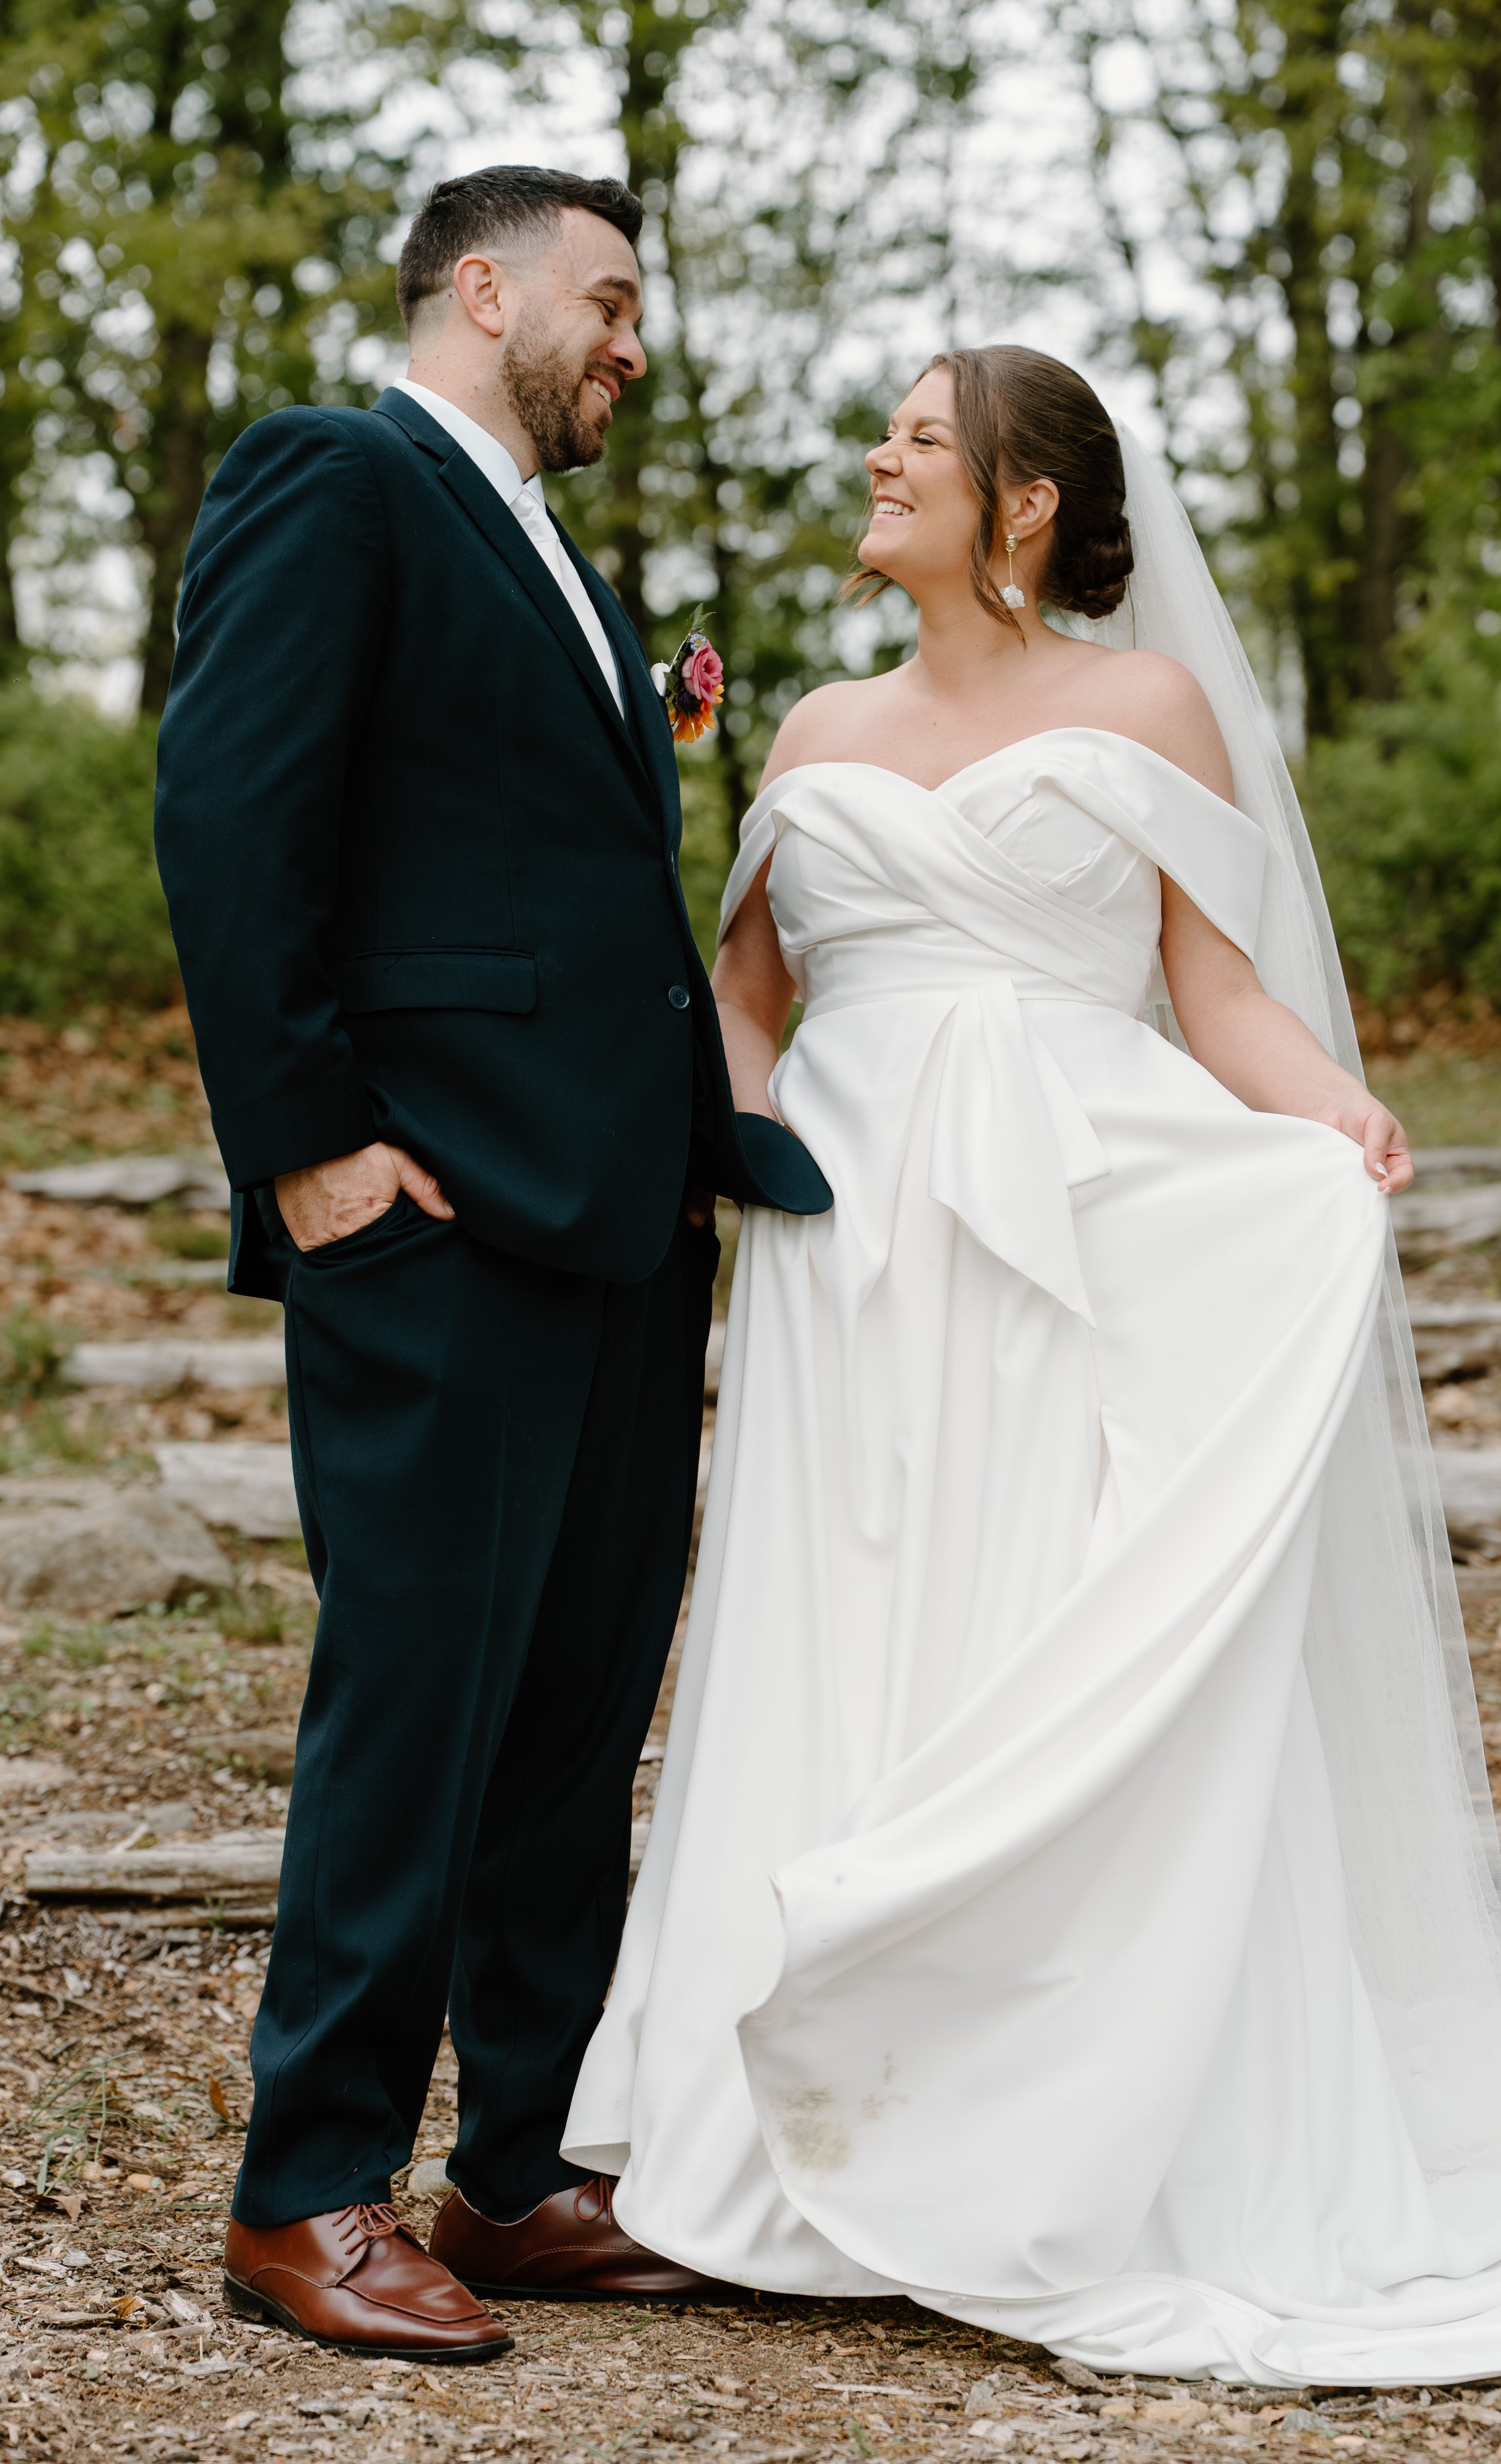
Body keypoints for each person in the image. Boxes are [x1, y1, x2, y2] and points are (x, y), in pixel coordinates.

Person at [562, 345, 1501, 2383]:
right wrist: (755, 1170)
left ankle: (1046, 2116)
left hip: (1075, 1223)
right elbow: (742, 995)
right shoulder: (811, 721)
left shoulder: (1141, 706)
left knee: (1034, 1617)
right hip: (846, 1247)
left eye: (912, 436)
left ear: (1025, 500)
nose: (874, 458)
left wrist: (1334, 1116)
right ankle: (783, 2122)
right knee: (840, 1621)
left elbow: (1204, 985)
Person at [153, 164, 828, 2363]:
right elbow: (232, 818)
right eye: (606, 298)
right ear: (481, 289)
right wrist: (315, 1149)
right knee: (420, 1697)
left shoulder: (558, 555)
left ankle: (518, 2165)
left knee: (568, 1710)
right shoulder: (334, 480)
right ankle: (306, 2189)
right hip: (427, 1214)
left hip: (618, 1226)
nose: (633, 340)